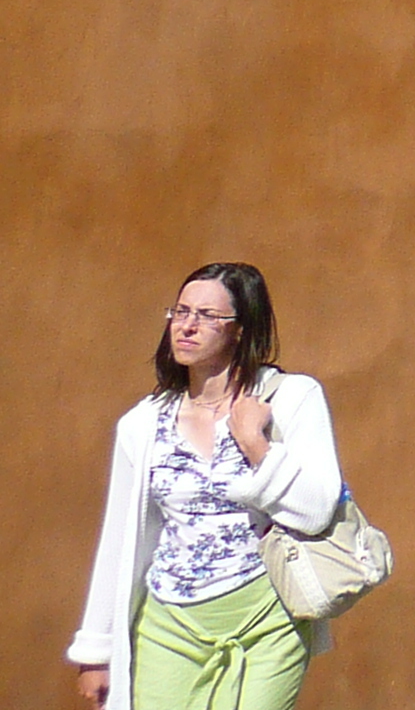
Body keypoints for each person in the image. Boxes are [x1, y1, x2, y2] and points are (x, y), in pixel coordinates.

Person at [71, 263, 341, 710]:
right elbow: (120, 537)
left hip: (267, 617)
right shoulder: (143, 424)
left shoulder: (291, 399)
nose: (188, 326)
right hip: (168, 622)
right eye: (180, 312)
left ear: (240, 330)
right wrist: (96, 650)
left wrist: (256, 444)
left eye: (208, 316)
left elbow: (317, 510)